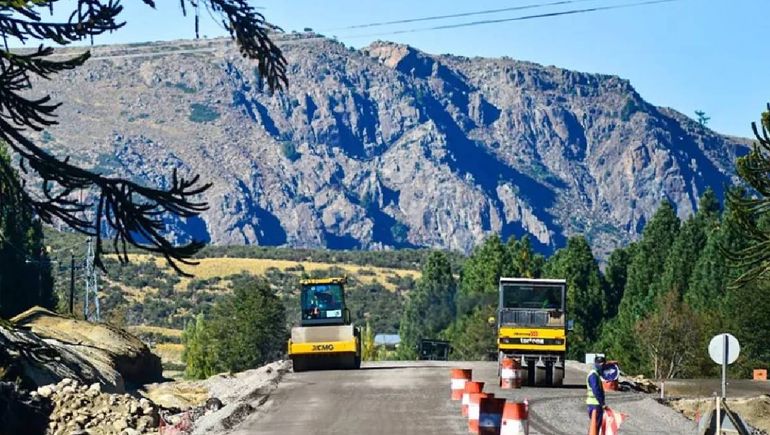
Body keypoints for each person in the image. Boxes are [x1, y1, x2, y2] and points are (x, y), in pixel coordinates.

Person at [586, 355, 607, 433]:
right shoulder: (593, 375)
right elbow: (596, 390)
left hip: (593, 404)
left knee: (594, 426)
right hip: (595, 405)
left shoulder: (594, 374)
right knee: (596, 426)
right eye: (602, 365)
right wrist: (602, 404)